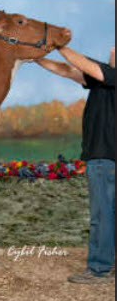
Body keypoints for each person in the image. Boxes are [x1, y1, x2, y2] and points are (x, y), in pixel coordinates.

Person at [36, 44, 115, 284]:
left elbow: (81, 64)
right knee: (108, 214)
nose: (112, 49)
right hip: (104, 159)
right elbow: (67, 70)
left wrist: (58, 43)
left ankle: (99, 269)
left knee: (102, 215)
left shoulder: (109, 75)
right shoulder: (102, 80)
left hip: (105, 158)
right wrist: (36, 57)